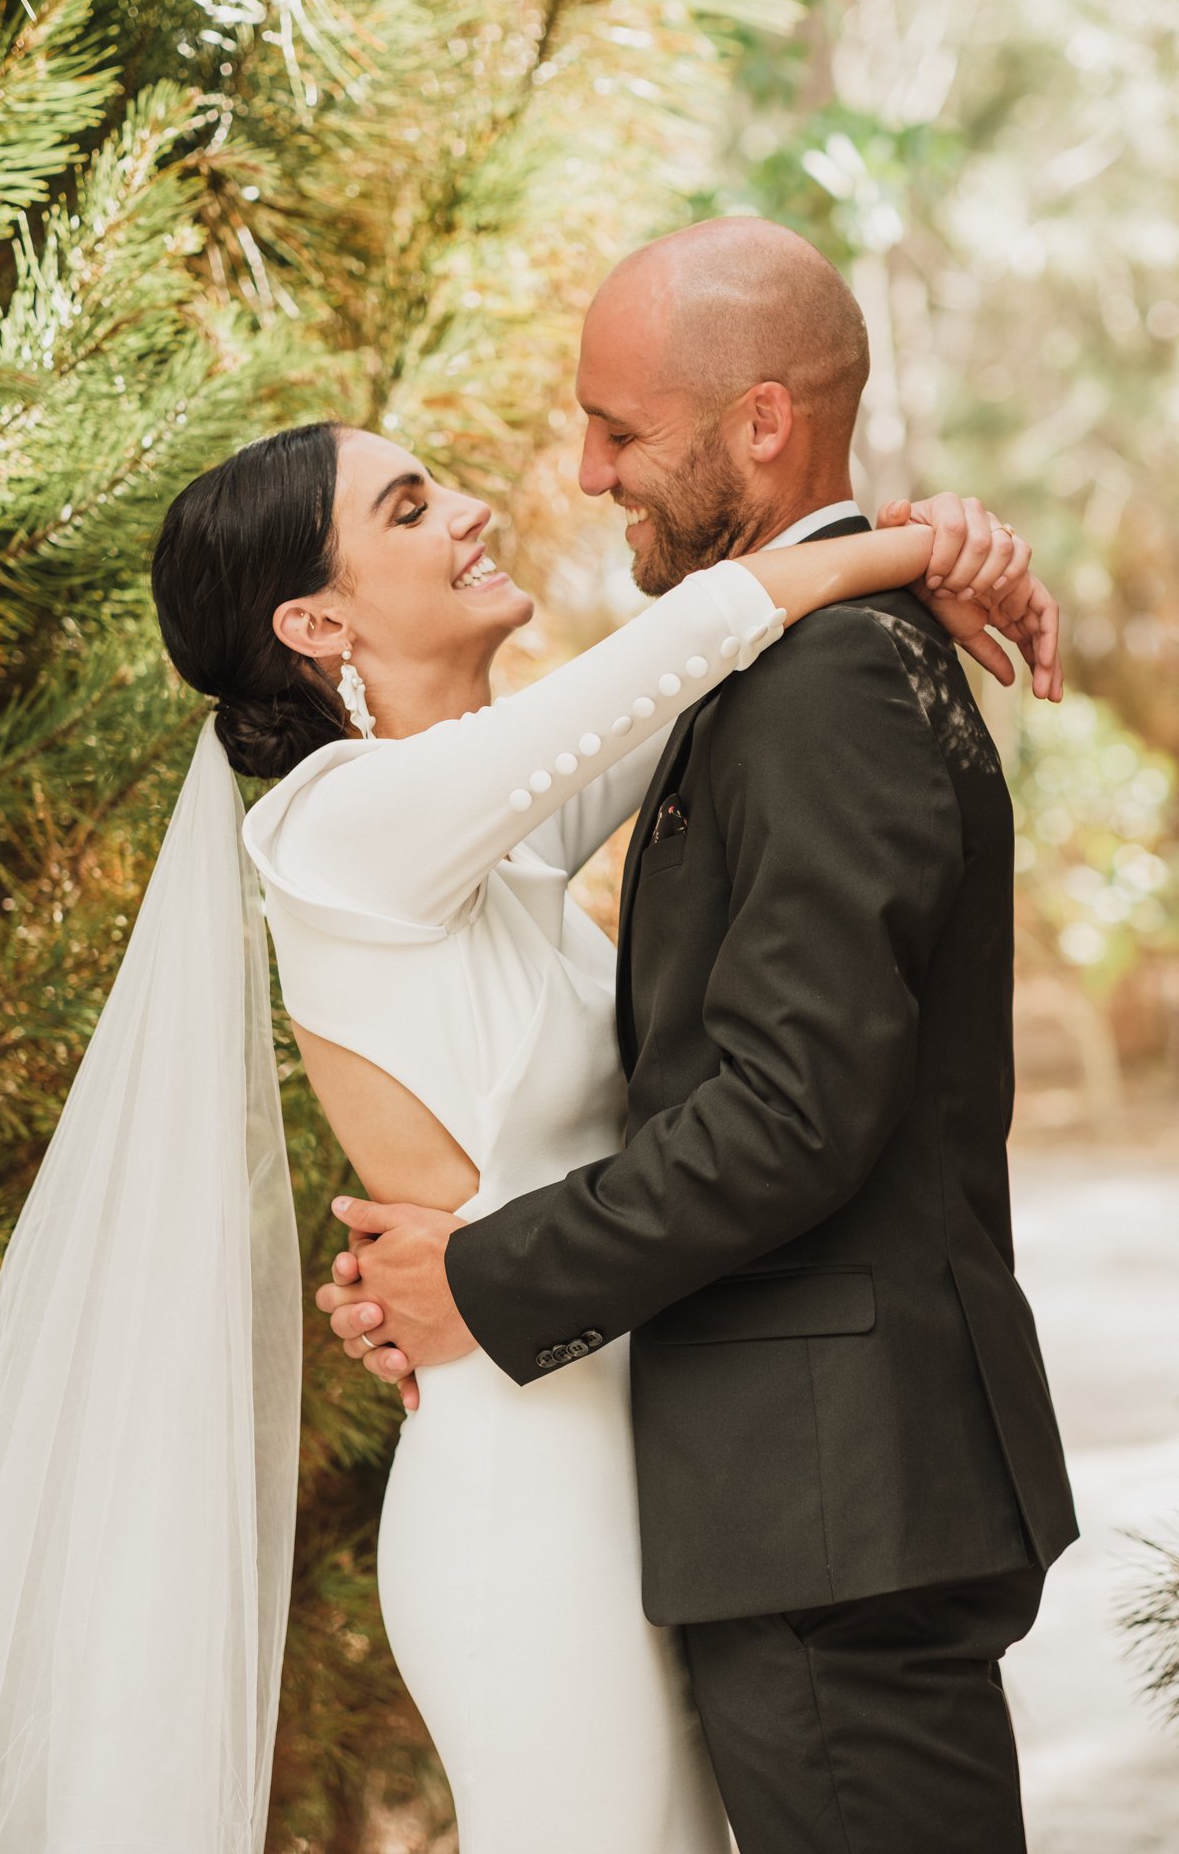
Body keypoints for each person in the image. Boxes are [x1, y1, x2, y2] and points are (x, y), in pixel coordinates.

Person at [0, 224, 1058, 1853]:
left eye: (445, 482)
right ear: (312, 626)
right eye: (406, 505)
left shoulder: (485, 847)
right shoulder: (331, 828)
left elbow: (666, 704)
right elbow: (675, 660)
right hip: (531, 1488)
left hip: (662, 1453)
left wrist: (922, 534)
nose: (502, 496)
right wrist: (881, 548)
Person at [317, 219, 1078, 1853]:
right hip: (788, 1493)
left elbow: (794, 1109)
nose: (586, 474)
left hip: (832, 1497)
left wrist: (480, 1278)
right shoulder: (778, 664)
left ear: (759, 425)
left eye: (620, 430)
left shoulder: (824, 683)